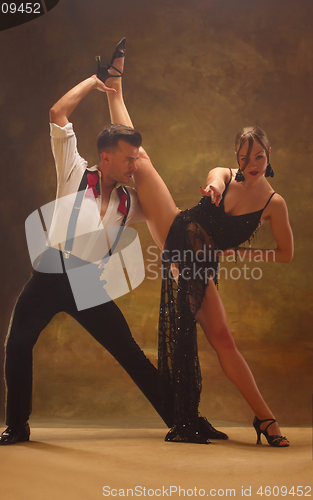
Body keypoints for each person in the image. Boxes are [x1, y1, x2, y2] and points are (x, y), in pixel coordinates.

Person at [0, 40, 224, 445]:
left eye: (136, 158)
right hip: (50, 272)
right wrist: (96, 81)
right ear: (105, 158)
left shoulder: (127, 202)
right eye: (128, 159)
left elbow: (167, 217)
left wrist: (206, 205)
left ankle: (185, 419)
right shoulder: (73, 171)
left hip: (88, 282)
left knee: (131, 355)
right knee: (18, 343)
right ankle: (17, 425)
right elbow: (57, 113)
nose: (135, 164)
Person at [103, 41, 294, 447]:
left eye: (258, 156)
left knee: (224, 340)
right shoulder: (225, 173)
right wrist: (214, 186)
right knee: (139, 159)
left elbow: (285, 253)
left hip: (198, 265)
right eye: (244, 158)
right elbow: (217, 180)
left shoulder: (275, 205)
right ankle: (115, 87)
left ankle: (265, 420)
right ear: (236, 156)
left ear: (268, 153)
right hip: (177, 230)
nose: (251, 165)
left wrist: (241, 252)